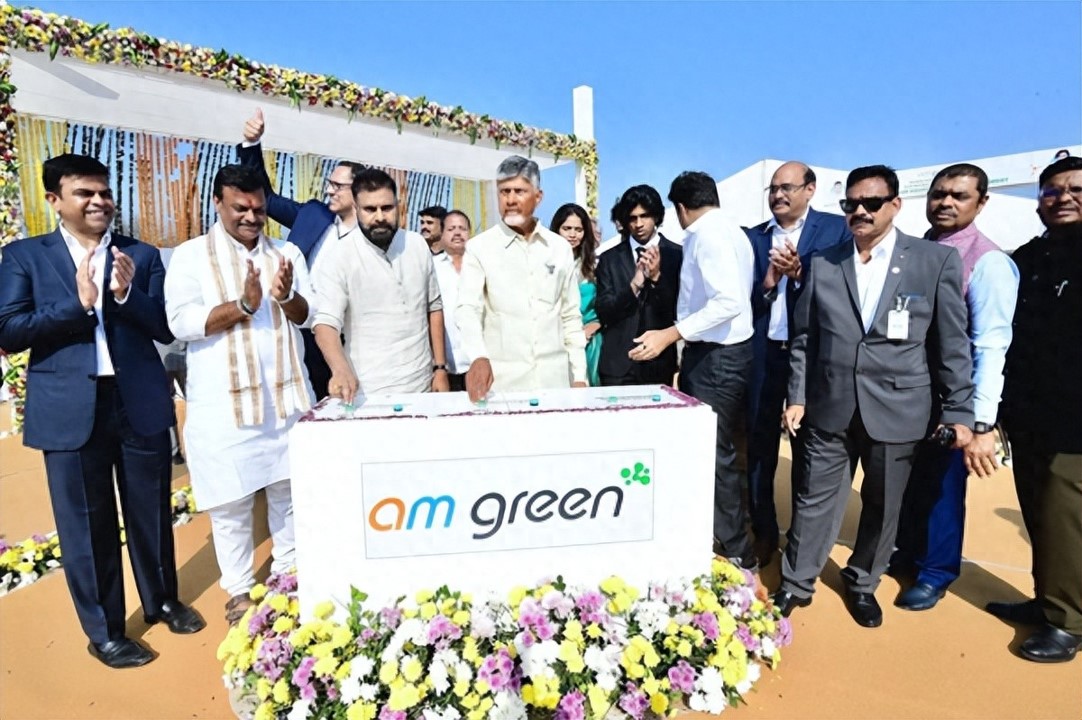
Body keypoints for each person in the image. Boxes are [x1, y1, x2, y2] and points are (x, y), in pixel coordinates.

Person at [0, 154, 204, 668]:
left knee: (150, 511)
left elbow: (165, 326)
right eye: (85, 193)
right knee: (87, 526)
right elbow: (10, 330)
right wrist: (79, 304)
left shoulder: (141, 255)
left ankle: (162, 601)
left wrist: (126, 293)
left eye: (104, 192)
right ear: (55, 200)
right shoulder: (25, 257)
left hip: (137, 401)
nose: (99, 202)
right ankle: (106, 632)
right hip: (69, 409)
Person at [774, 165, 974, 628]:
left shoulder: (934, 261)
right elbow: (804, 338)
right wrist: (797, 396)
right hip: (830, 405)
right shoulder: (823, 262)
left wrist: (960, 410)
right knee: (814, 499)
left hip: (900, 408)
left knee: (883, 505)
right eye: (851, 204)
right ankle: (796, 582)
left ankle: (863, 582)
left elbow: (952, 344)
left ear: (895, 205)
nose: (860, 211)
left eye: (872, 203)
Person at [164, 164, 314, 625]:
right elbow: (180, 323)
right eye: (240, 208)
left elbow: (308, 315)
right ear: (217, 203)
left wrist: (286, 297)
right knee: (231, 503)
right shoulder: (190, 257)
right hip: (225, 406)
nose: (251, 217)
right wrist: (244, 305)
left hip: (286, 403)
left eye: (258, 209)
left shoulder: (287, 252)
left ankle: (288, 574)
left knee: (289, 491)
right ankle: (239, 589)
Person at [893, 163, 1018, 611]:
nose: (945, 202)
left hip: (953, 399)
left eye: (959, 196)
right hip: (908, 390)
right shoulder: (918, 249)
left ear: (981, 203)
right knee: (910, 482)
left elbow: (991, 344)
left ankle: (936, 572)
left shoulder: (988, 262)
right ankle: (907, 554)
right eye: (938, 194)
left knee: (943, 490)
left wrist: (978, 421)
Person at [629, 171, 756, 568]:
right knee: (718, 452)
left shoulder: (708, 236)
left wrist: (670, 334)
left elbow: (728, 302)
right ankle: (725, 536)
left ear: (681, 208)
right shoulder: (731, 231)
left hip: (718, 358)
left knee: (715, 455)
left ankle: (737, 551)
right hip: (721, 355)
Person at [989, 156, 1082, 662]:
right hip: (1028, 413)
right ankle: (1048, 600)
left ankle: (1068, 622)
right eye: (1051, 190)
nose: (1063, 197)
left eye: (1075, 189)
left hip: (1075, 422)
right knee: (1039, 512)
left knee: (1066, 516)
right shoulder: (1028, 257)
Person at [744, 162, 851, 566]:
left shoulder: (837, 231)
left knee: (810, 452)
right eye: (773, 189)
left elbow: (845, 290)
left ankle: (803, 543)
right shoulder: (754, 238)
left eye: (787, 187)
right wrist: (769, 283)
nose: (778, 195)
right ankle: (764, 532)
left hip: (813, 358)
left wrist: (801, 273)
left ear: (810, 189)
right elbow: (741, 301)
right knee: (759, 449)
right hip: (764, 356)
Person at [238, 108, 363, 400]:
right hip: (301, 330)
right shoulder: (313, 215)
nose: (329, 191)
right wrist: (251, 145)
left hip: (349, 339)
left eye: (338, 186)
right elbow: (267, 198)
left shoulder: (374, 236)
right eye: (330, 184)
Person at [457, 156, 587, 400]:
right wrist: (477, 356)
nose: (510, 200)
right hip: (501, 388)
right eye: (504, 191)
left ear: (538, 197)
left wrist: (579, 377)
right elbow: (467, 309)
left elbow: (570, 315)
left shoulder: (559, 248)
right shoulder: (480, 248)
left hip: (555, 383)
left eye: (519, 191)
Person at [314, 168, 448, 402]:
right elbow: (326, 323)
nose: (379, 217)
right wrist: (340, 369)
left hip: (422, 386)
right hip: (368, 392)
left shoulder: (416, 244)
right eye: (370, 209)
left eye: (387, 208)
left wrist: (440, 368)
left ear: (398, 206)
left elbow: (434, 306)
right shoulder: (340, 256)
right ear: (356, 208)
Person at [595, 184, 682, 386]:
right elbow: (604, 311)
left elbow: (679, 310)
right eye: (632, 218)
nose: (639, 224)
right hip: (617, 366)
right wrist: (634, 286)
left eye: (645, 216)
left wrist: (657, 278)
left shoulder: (677, 255)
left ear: (657, 217)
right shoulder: (609, 259)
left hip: (658, 363)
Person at [551, 203, 601, 386]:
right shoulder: (545, 264)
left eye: (578, 230)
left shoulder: (594, 266)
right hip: (555, 339)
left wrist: (594, 325)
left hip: (590, 341)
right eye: (567, 228)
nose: (572, 234)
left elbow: (605, 304)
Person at [433, 210, 473, 391]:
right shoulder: (432, 266)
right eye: (451, 229)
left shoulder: (480, 265)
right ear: (442, 234)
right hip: (443, 365)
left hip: (477, 363)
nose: (457, 233)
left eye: (462, 228)